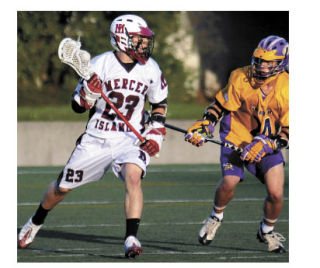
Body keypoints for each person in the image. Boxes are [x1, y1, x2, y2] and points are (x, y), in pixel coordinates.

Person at [18, 14, 168, 259]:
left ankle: (131, 237)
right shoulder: (99, 64)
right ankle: (35, 222)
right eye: (138, 39)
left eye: (144, 39)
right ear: (122, 39)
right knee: (61, 188)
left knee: (133, 177)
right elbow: (77, 106)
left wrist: (155, 134)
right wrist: (89, 92)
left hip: (129, 138)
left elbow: (159, 103)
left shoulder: (151, 68)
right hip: (97, 138)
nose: (143, 44)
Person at [185, 35, 289, 253]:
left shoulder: (289, 88)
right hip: (236, 137)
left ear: (282, 63)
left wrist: (269, 145)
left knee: (276, 193)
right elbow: (220, 105)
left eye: (269, 62)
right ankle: (216, 216)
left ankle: (267, 230)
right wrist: (206, 123)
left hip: (266, 143)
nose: (262, 66)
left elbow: (289, 131)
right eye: (260, 60)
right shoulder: (240, 77)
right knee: (230, 182)